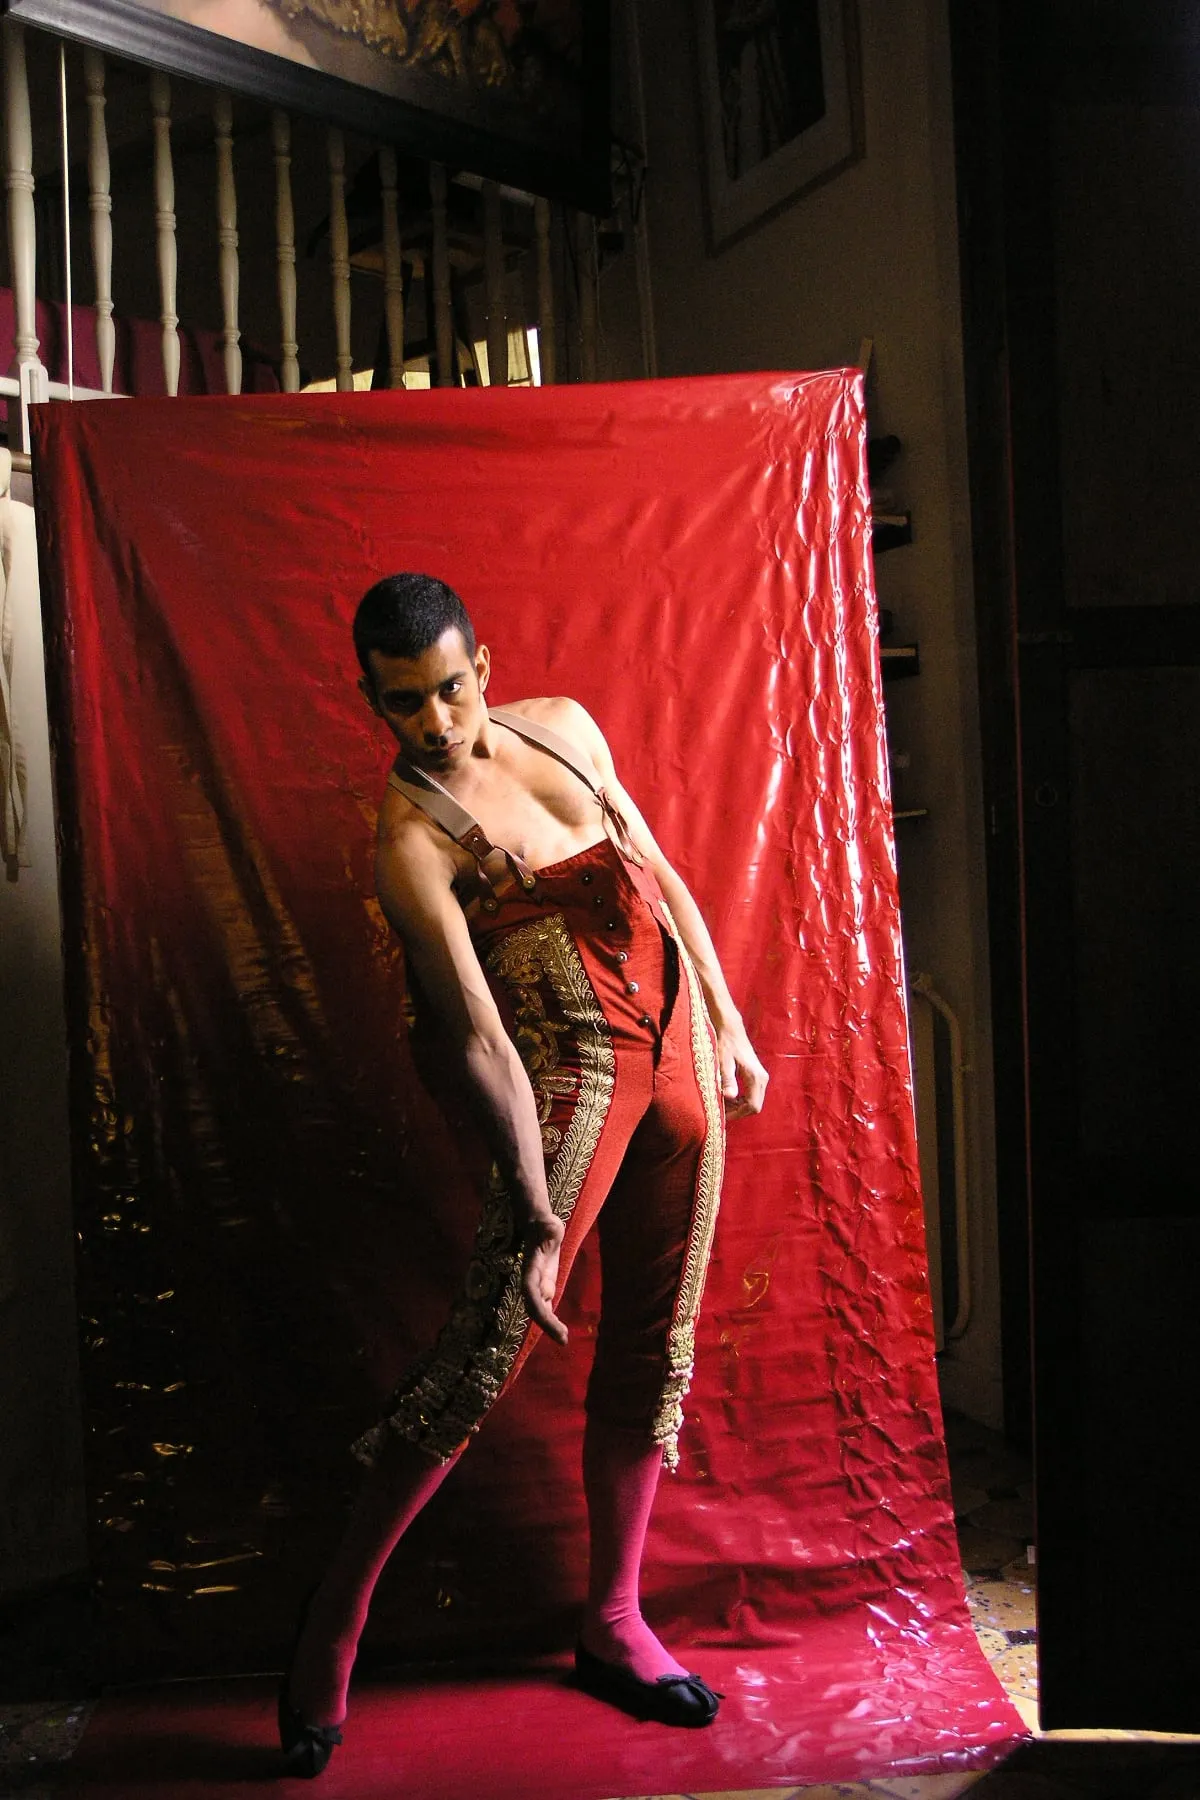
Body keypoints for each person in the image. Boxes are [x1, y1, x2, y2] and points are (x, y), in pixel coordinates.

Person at [279, 572, 768, 1776]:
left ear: (481, 665)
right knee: (482, 1350)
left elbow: (655, 865)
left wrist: (730, 1018)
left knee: (657, 1343)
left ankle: (613, 1623)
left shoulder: (568, 725)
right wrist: (536, 1204)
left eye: (450, 688)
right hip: (572, 1083)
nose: (438, 723)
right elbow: (479, 1038)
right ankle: (330, 1633)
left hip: (682, 1063)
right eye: (406, 706)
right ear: (373, 704)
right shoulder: (410, 841)